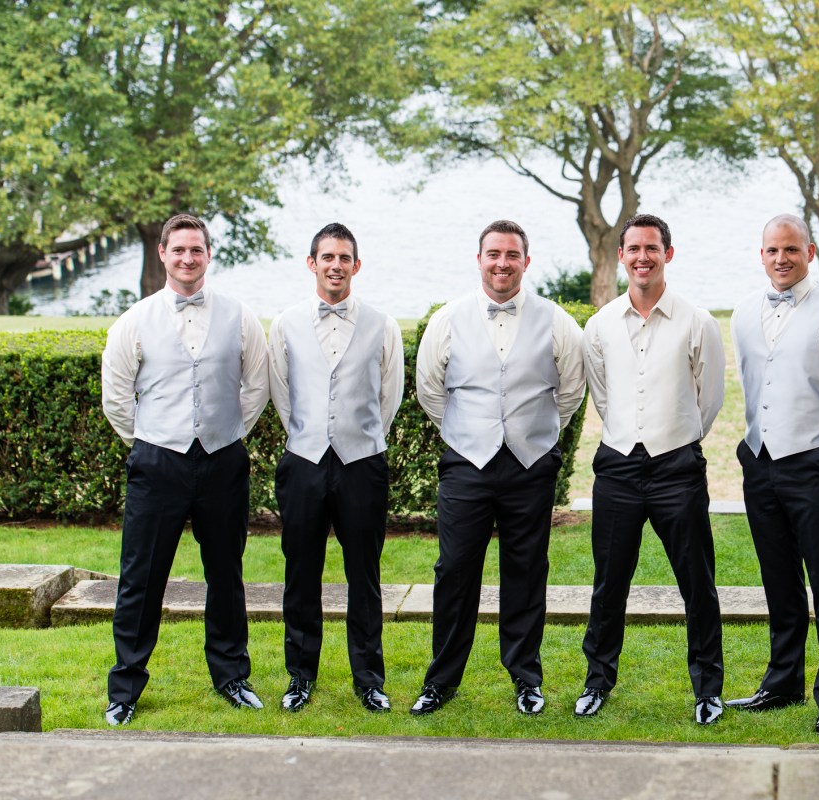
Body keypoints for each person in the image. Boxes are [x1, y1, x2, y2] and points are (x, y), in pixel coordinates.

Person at [100, 213, 270, 725]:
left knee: (226, 573)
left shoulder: (240, 316)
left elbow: (257, 386)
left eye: (196, 249)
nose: (188, 258)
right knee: (141, 577)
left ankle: (232, 676)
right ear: (163, 253)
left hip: (223, 461)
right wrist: (151, 440)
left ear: (208, 254)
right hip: (157, 463)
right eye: (178, 250)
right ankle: (125, 688)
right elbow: (116, 397)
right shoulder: (134, 320)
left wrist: (226, 433)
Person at [412, 219, 585, 716]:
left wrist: (534, 433)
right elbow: (430, 389)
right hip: (467, 464)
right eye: (494, 254)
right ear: (480, 259)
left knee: (526, 571)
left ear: (526, 262)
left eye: (512, 255)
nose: (502, 264)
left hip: (530, 465)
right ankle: (440, 681)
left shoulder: (556, 321)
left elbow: (571, 390)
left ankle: (527, 679)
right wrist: (468, 432)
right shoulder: (448, 319)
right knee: (454, 571)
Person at [726, 214, 819, 741]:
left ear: (809, 252)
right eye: (772, 250)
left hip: (815, 463)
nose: (781, 258)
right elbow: (753, 383)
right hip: (760, 462)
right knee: (779, 581)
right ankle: (782, 681)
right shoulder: (744, 313)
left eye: (791, 249)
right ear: (761, 254)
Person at [577, 213, 726, 725]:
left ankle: (708, 689)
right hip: (617, 467)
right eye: (634, 249)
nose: (643, 257)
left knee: (697, 582)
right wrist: (630, 433)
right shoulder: (600, 324)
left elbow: (710, 398)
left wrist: (675, 436)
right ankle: (597, 681)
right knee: (608, 582)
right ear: (621, 256)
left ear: (668, 254)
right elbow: (602, 394)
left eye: (652, 248)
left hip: (677, 467)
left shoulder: (697, 321)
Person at [267, 222, 404, 713]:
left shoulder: (383, 325)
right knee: (301, 573)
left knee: (363, 574)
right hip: (303, 462)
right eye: (327, 257)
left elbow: (389, 396)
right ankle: (300, 677)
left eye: (345, 258)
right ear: (312, 263)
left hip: (362, 464)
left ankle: (369, 680)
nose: (336, 266)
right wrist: (310, 435)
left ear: (356, 265)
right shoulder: (285, 323)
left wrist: (358, 436)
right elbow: (281, 394)